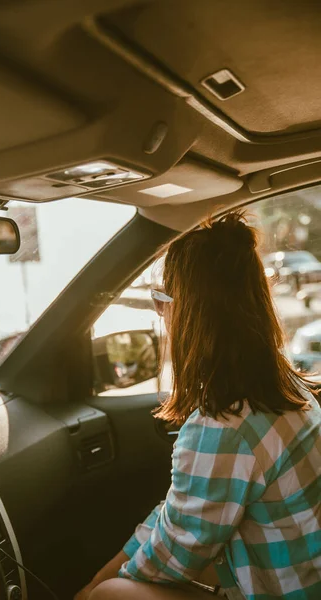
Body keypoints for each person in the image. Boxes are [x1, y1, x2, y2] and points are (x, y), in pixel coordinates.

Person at [75, 211, 321, 600]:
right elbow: (180, 514)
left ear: (190, 311)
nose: (163, 316)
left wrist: (98, 585)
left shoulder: (223, 425)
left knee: (111, 595)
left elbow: (177, 551)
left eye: (162, 301)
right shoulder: (286, 387)